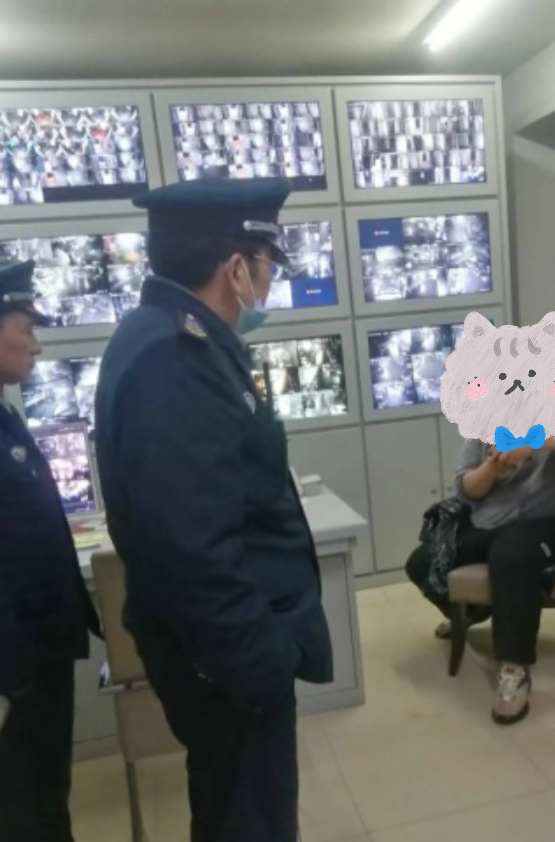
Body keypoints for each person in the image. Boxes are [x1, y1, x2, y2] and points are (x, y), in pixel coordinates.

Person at [94, 177, 333, 842]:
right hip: (226, 666)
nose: (268, 283)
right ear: (235, 269)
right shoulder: (174, 359)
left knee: (232, 811)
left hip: (217, 657)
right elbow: (192, 548)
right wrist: (259, 663)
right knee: (249, 821)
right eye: (266, 266)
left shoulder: (168, 339)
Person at [406, 406, 555, 725]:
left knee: (511, 557)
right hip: (489, 523)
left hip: (548, 522)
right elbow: (466, 489)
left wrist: (530, 442)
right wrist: (491, 468)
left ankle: (514, 668)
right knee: (422, 562)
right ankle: (474, 611)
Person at [0, 260, 101, 841]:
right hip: (18, 666)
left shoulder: (5, 415)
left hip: (38, 654)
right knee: (26, 807)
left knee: (45, 797)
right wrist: (14, 674)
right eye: (26, 329)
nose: (36, 346)